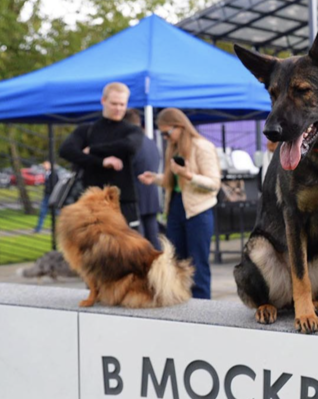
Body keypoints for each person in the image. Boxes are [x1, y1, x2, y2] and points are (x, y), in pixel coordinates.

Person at [138, 108, 221, 300]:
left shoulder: (201, 146)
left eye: (167, 132)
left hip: (198, 211)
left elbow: (214, 184)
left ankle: (201, 308)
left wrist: (188, 175)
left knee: (197, 264)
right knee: (175, 262)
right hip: (176, 208)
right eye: (162, 134)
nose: (165, 137)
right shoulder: (173, 147)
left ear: (180, 126)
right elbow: (173, 183)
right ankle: (181, 302)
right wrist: (156, 178)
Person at [59, 82, 144, 229]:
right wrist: (101, 162)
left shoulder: (132, 130)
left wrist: (93, 149)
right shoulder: (87, 130)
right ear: (103, 101)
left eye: (122, 104)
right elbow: (66, 150)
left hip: (123, 200)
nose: (118, 109)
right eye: (114, 104)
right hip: (91, 200)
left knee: (127, 248)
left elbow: (130, 146)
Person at [126, 109, 162, 250]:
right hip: (150, 195)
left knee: (137, 242)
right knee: (153, 239)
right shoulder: (150, 142)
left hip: (134, 196)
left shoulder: (131, 142)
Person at [34, 160, 58, 233]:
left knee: (55, 212)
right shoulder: (47, 174)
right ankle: (38, 228)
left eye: (46, 164)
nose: (44, 166)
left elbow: (53, 185)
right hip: (47, 195)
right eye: (44, 164)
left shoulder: (53, 174)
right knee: (43, 212)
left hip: (51, 195)